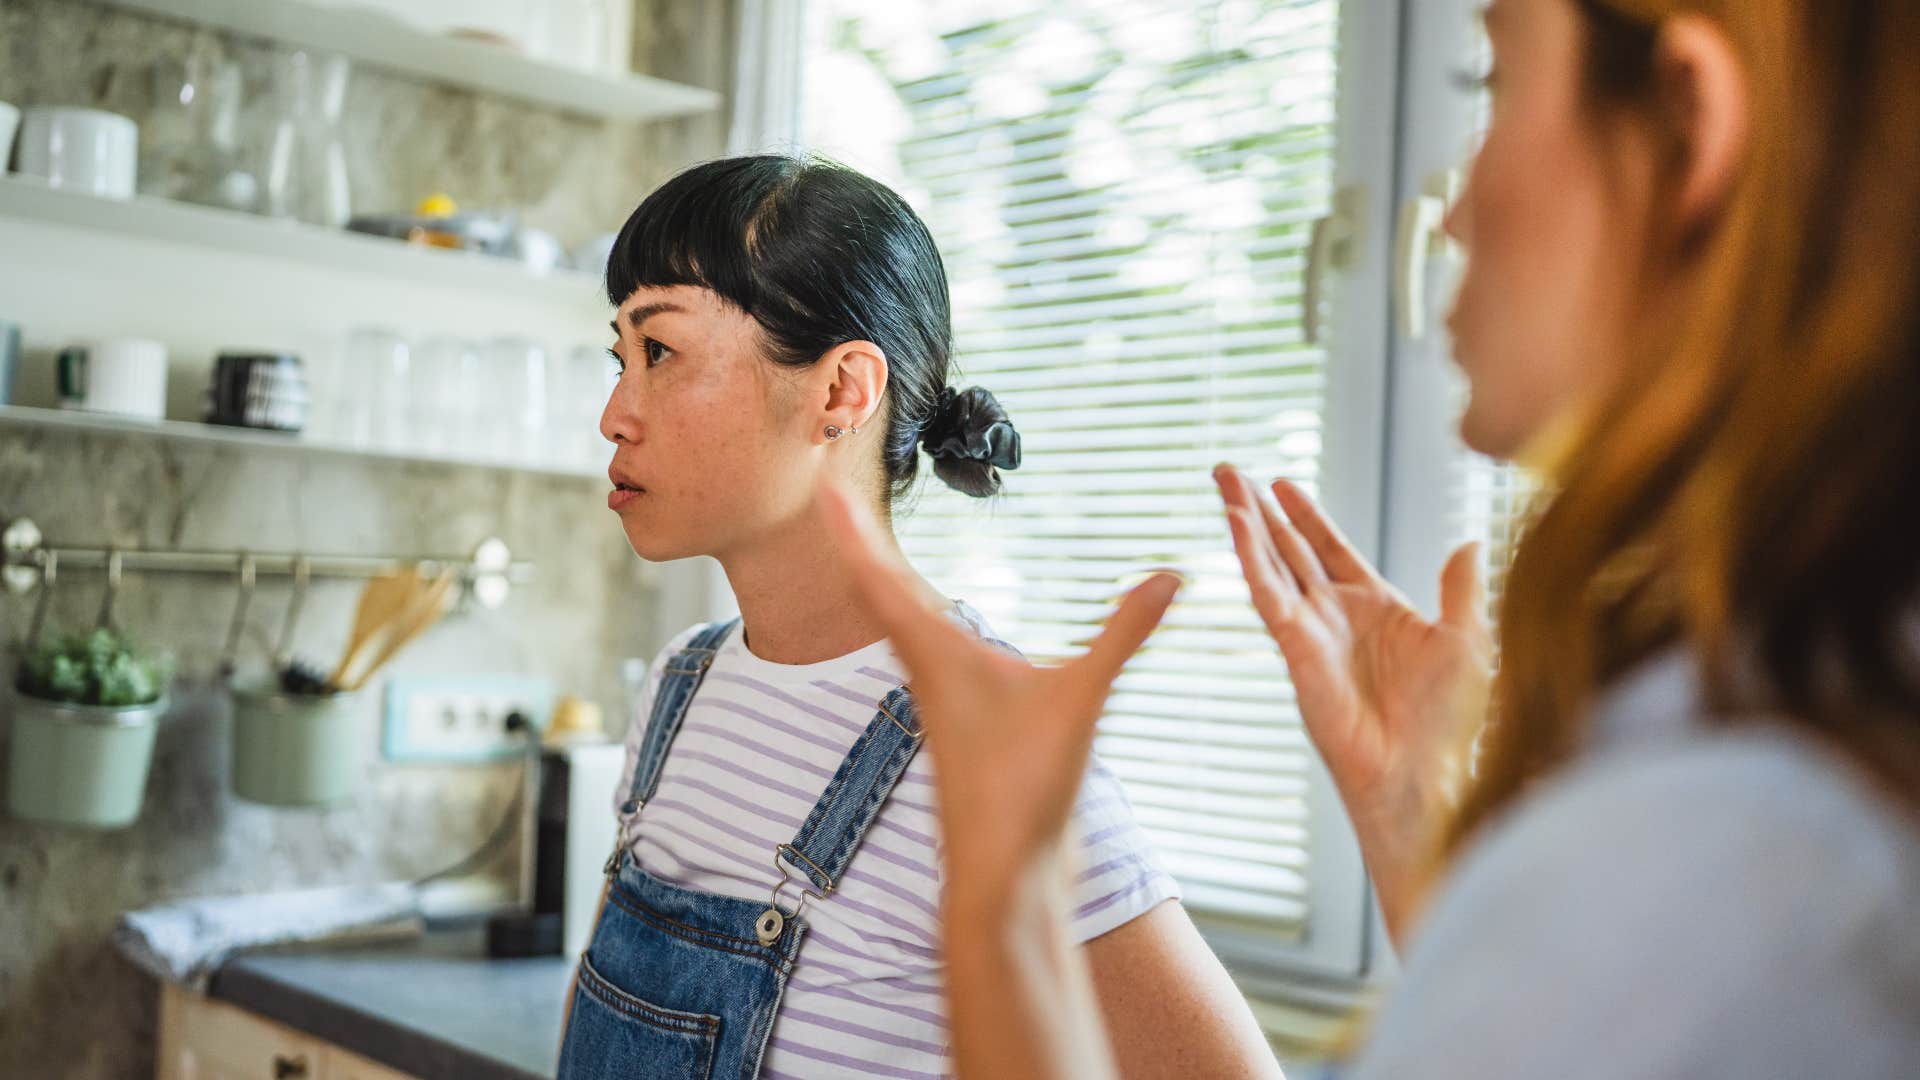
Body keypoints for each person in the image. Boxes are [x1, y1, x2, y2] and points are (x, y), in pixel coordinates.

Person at [818, 0, 1920, 1076]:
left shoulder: (1730, 850)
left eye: (1494, 86)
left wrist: (1003, 888)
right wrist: (1410, 820)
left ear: (1688, 122)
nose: (1446, 216)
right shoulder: (1775, 773)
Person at [555, 156, 1275, 1079]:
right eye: (620, 358)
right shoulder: (682, 685)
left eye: (660, 352)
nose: (615, 415)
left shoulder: (978, 737)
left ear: (842, 392)